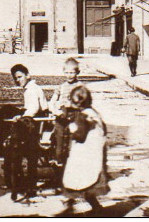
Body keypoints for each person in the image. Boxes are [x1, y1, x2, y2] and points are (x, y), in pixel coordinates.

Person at [0, 64, 49, 159]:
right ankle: (0, 142)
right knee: (6, 110)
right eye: (15, 78)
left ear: (28, 75)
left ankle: (0, 144)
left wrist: (22, 116)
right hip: (33, 115)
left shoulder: (32, 89)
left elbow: (34, 108)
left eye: (20, 77)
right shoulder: (31, 87)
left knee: (6, 110)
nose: (18, 80)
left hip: (36, 118)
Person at [61, 85, 108, 215]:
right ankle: (95, 206)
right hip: (94, 152)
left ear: (78, 104)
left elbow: (80, 135)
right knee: (88, 182)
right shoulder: (93, 113)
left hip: (85, 153)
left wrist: (71, 127)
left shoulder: (83, 116)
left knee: (80, 179)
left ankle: (70, 206)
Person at [48, 58, 83, 165]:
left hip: (75, 116)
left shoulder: (80, 86)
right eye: (67, 72)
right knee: (59, 139)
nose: (69, 75)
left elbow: (83, 103)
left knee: (74, 142)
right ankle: (58, 159)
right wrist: (54, 109)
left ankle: (74, 162)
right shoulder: (61, 87)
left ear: (77, 72)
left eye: (72, 72)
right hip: (62, 116)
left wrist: (73, 104)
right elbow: (52, 101)